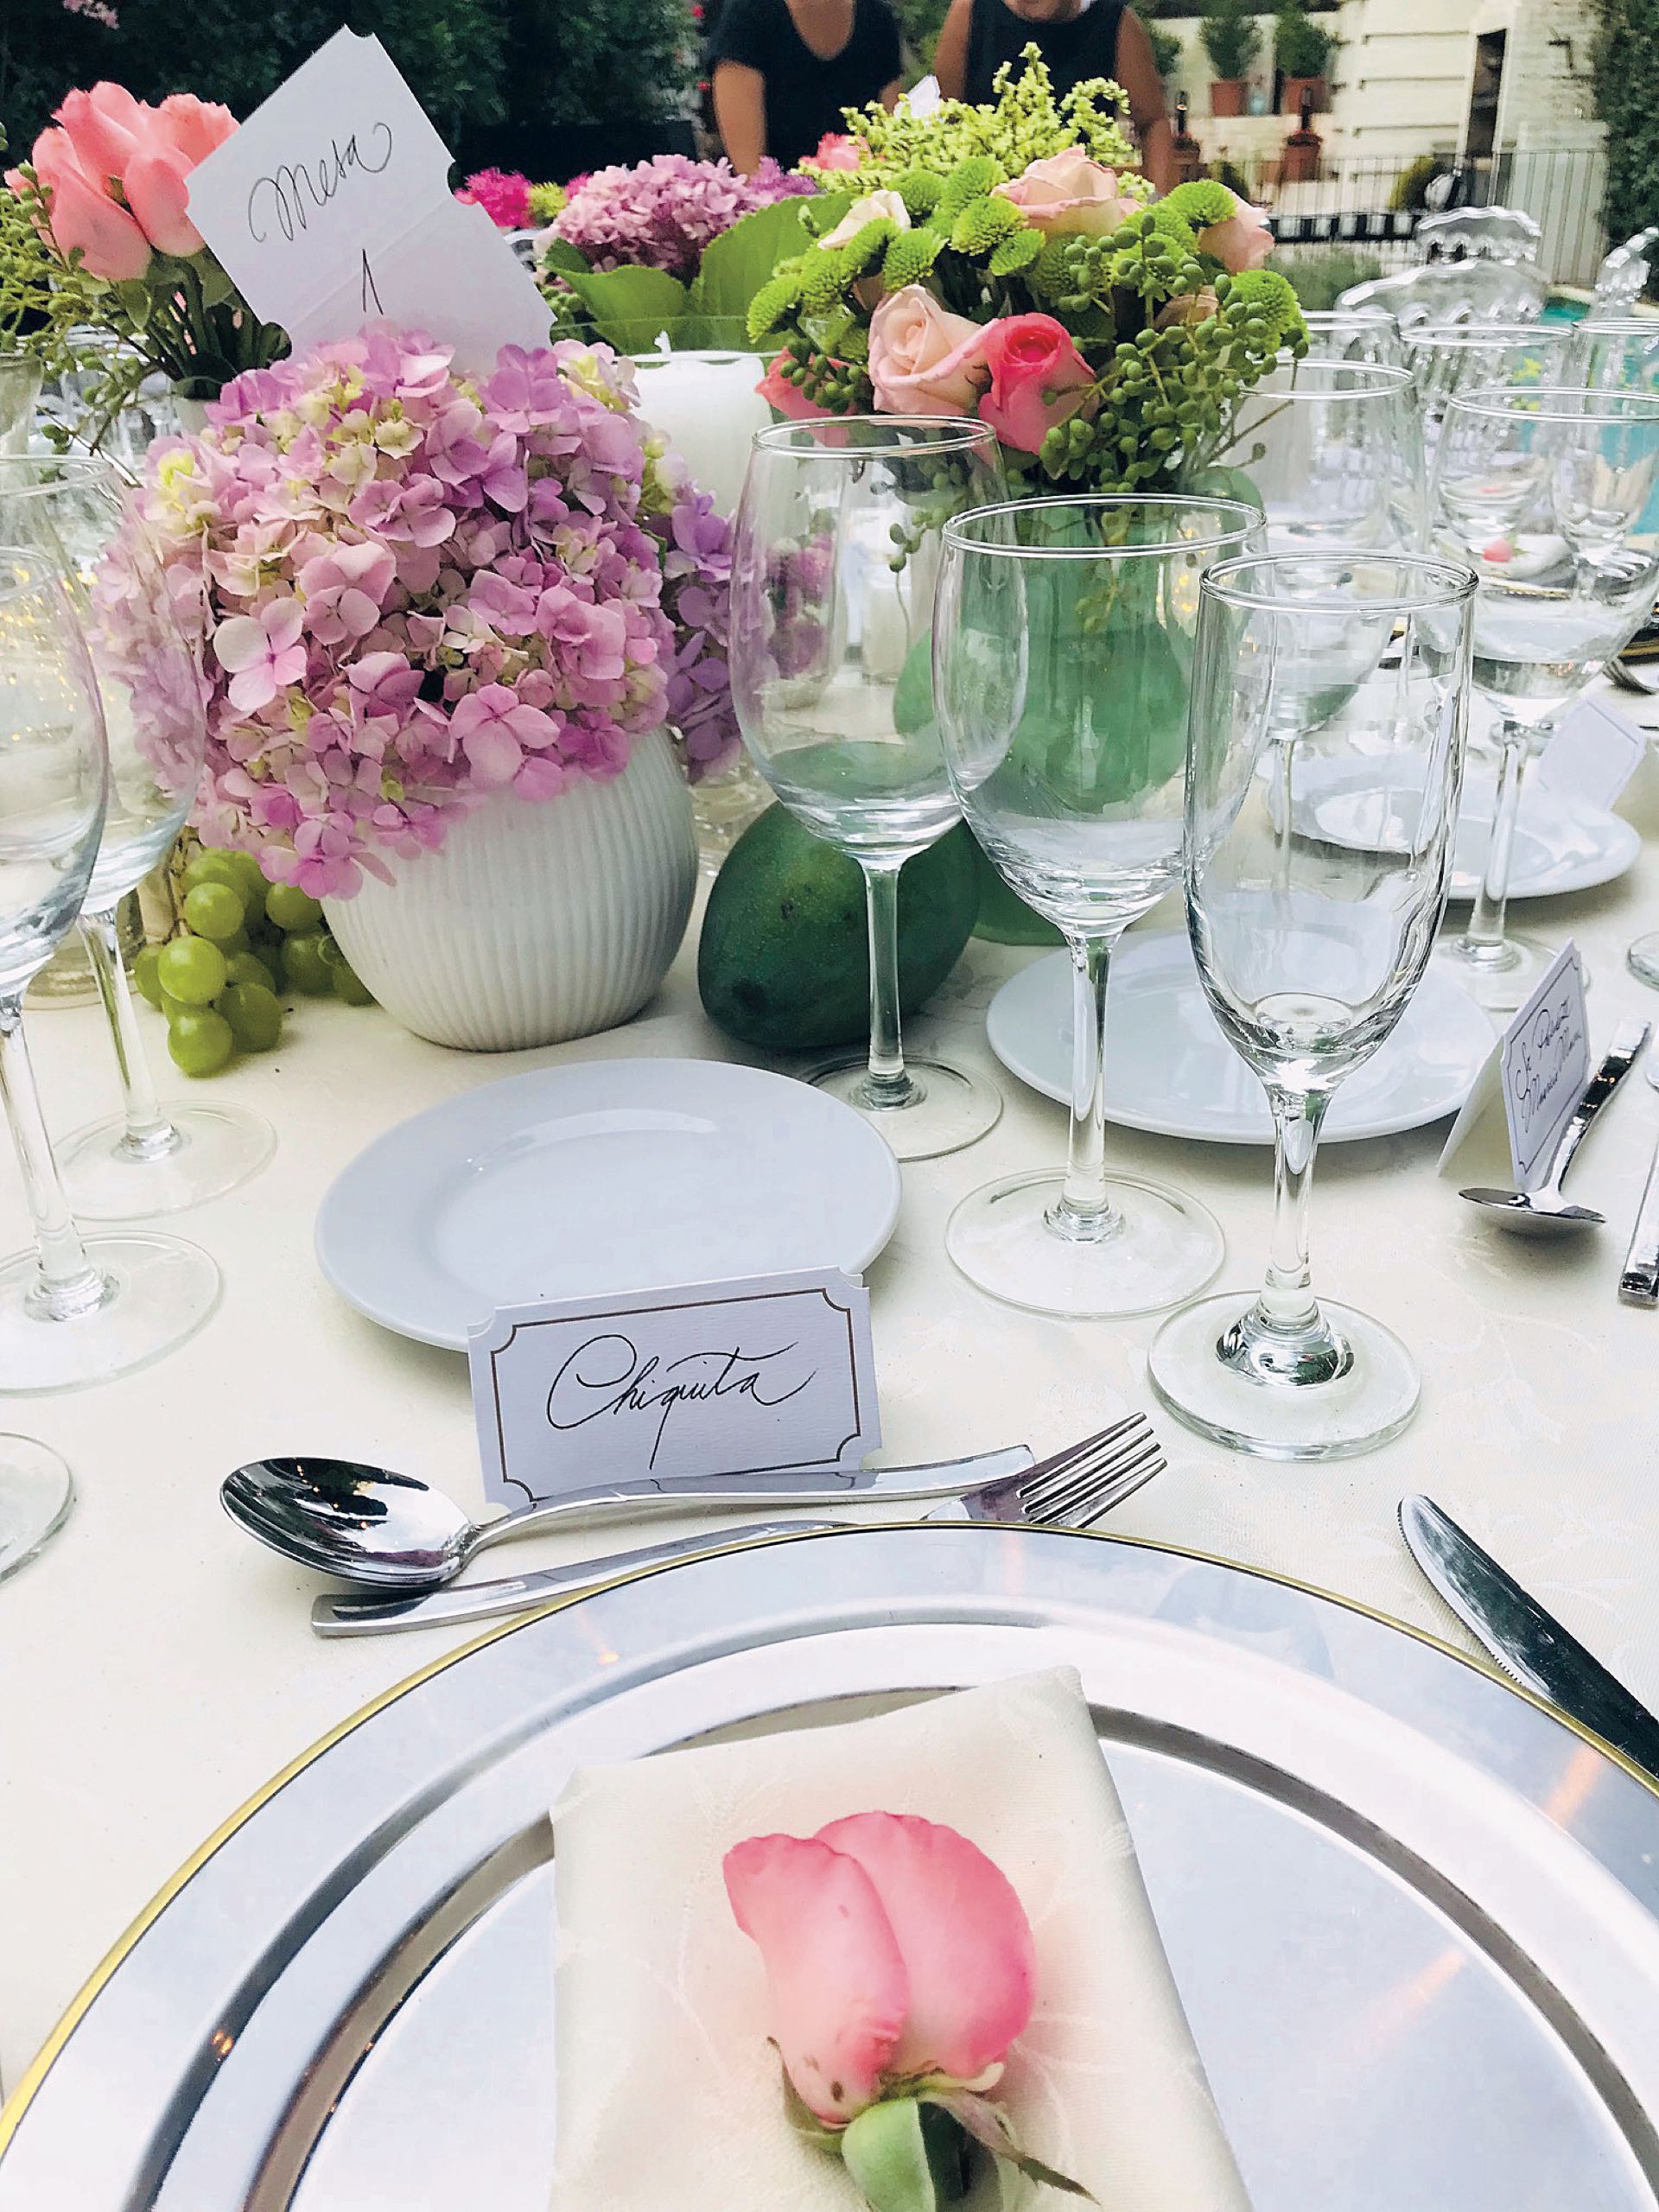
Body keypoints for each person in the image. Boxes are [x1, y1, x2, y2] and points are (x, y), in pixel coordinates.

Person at [934, 0, 1174, 194]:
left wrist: (1159, 208)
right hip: (989, 209)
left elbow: (1153, 122)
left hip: (1080, 213)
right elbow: (950, 120)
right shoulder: (972, 11)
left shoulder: (1114, 22)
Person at [710, 0, 905, 176]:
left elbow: (894, 145)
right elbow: (751, 175)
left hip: (868, 205)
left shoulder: (878, 19)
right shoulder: (748, 15)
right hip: (778, 208)